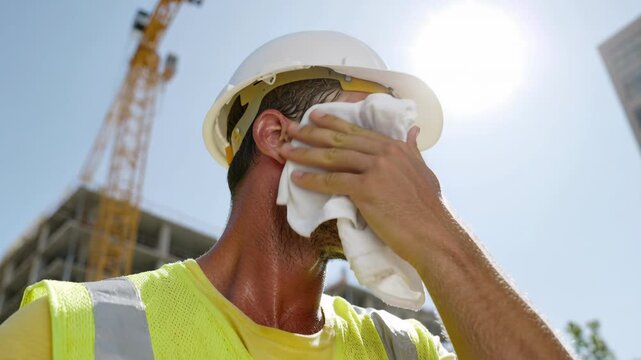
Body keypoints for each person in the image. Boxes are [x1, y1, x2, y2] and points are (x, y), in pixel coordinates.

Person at [0, 31, 573, 360]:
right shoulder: (67, 331)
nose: (403, 165)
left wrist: (435, 231)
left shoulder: (402, 352)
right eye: (374, 129)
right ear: (277, 136)